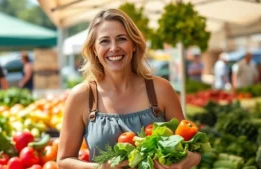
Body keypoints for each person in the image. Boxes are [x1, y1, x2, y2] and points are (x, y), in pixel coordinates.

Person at [57, 9, 201, 169]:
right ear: (94, 50)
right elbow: (64, 161)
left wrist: (186, 162)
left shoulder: (160, 89)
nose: (114, 48)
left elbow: (193, 148)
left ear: (133, 45)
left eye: (121, 39)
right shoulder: (82, 96)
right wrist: (100, 168)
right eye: (104, 41)